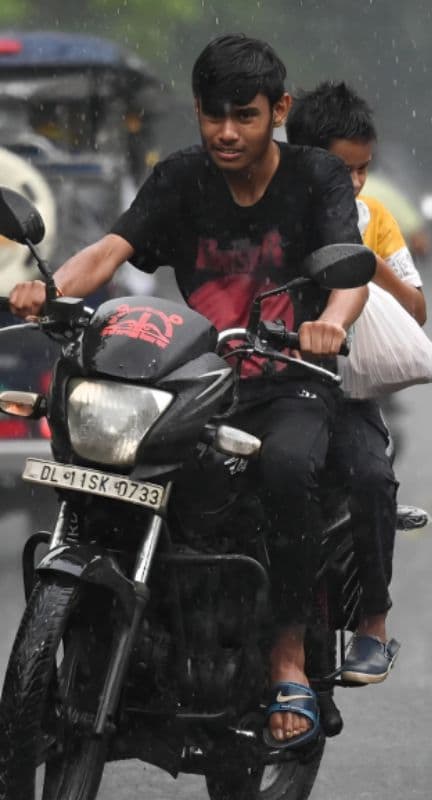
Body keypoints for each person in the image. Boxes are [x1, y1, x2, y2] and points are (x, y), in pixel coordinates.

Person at [8, 34, 368, 751]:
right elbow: (109, 251)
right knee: (124, 473)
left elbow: (349, 273)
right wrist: (47, 292)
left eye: (245, 115)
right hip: (200, 380)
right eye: (213, 115)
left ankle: (288, 658)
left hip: (291, 382)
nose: (226, 132)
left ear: (279, 111)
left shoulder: (317, 176)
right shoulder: (179, 178)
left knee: (287, 470)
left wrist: (329, 322)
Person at [285, 80, 425, 684]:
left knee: (371, 477)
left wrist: (366, 264)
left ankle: (373, 625)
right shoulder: (270, 210)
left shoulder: (376, 220)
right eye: (343, 171)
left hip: (343, 388)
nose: (356, 183)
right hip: (273, 382)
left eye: (364, 170)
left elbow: (417, 308)